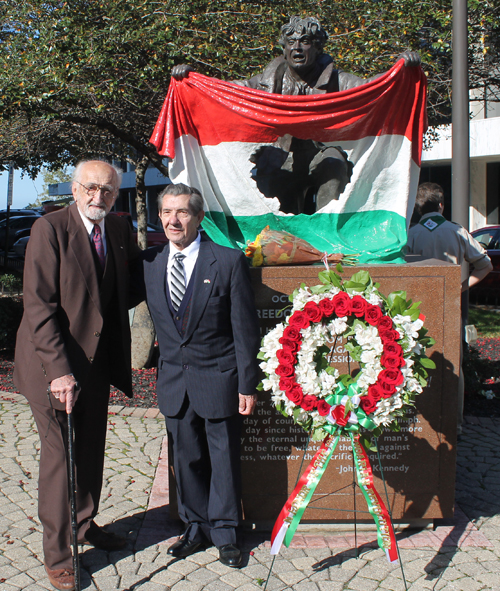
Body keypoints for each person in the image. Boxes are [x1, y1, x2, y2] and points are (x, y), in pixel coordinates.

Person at [13, 160, 140, 591]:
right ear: (74, 188)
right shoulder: (50, 230)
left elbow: (133, 283)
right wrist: (60, 372)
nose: (97, 197)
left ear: (115, 195)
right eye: (90, 188)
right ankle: (59, 555)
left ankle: (84, 525)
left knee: (90, 450)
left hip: (96, 363)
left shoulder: (120, 231)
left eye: (106, 190)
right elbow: (39, 307)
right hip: (53, 366)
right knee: (61, 457)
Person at [171, 16, 420, 213]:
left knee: (333, 165)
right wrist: (193, 80)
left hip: (319, 153)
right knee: (266, 171)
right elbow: (230, 90)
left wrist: (399, 71)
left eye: (305, 41)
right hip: (282, 157)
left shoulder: (336, 79)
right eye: (291, 42)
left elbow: (369, 88)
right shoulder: (267, 80)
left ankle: (329, 233)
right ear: (284, 47)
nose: (297, 48)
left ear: (318, 47)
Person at [140, 183, 260, 568]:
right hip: (175, 382)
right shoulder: (150, 263)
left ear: (198, 217)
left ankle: (226, 532)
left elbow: (244, 329)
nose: (174, 220)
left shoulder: (227, 261)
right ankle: (194, 527)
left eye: (183, 213)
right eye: (167, 213)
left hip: (219, 378)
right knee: (186, 458)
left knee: (223, 458)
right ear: (159, 217)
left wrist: (247, 383)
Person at [407, 182, 493, 432]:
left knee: (416, 357)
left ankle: (419, 418)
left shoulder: (410, 234)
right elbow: (485, 265)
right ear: (441, 205)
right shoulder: (457, 232)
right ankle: (455, 424)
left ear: (418, 207)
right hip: (449, 303)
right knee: (453, 361)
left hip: (417, 306)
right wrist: (461, 287)